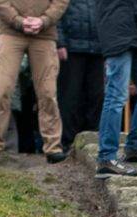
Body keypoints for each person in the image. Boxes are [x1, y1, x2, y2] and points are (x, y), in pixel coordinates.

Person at [0, 0, 69, 164]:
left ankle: (53, 147)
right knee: (2, 90)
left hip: (45, 34)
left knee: (48, 93)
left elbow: (61, 2)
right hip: (10, 32)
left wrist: (44, 20)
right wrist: (18, 21)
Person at [93, 0, 137, 177]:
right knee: (116, 95)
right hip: (118, 32)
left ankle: (134, 147)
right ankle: (106, 157)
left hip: (133, 32)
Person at [56, 0, 103, 151]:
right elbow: (57, 13)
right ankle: (68, 142)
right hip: (71, 48)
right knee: (70, 97)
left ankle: (92, 141)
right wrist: (60, 43)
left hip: (98, 48)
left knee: (96, 96)